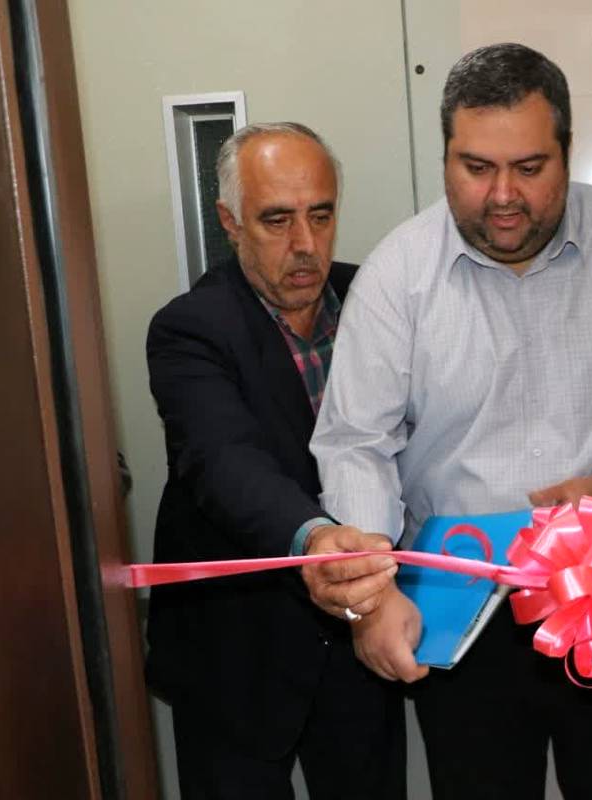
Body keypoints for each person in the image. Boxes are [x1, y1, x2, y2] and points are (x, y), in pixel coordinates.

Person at [300, 43, 592, 799]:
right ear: (445, 156)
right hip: (460, 606)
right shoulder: (398, 275)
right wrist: (371, 594)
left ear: (567, 151)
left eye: (529, 167)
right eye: (476, 167)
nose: (502, 196)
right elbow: (358, 443)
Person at [144, 122, 403, 798]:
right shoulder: (191, 327)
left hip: (358, 641)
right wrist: (313, 537)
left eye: (321, 215)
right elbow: (222, 458)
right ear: (230, 222)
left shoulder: (376, 300)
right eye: (277, 220)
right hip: (235, 655)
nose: (305, 244)